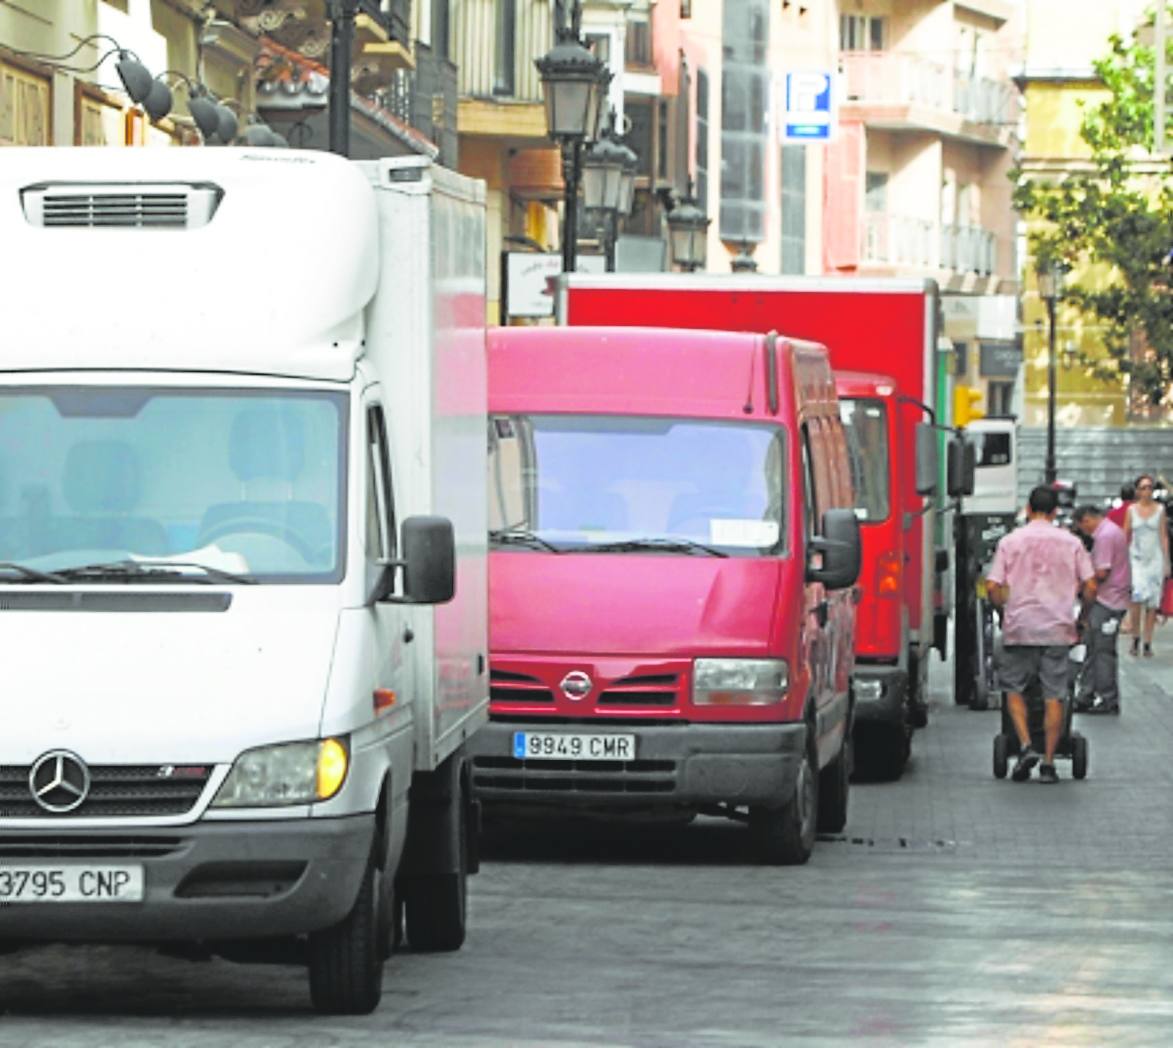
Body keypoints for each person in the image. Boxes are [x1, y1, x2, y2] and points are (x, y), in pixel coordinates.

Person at [986, 485, 1096, 784]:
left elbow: (993, 586)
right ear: (1054, 511)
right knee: (1055, 694)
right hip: (1058, 627)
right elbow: (1091, 586)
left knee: (1014, 689)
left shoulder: (1010, 542)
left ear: (1029, 508)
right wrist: (1082, 618)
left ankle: (1024, 745)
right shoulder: (1072, 543)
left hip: (1020, 625)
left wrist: (1001, 613)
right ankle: (1048, 763)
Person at [1072, 504, 1131, 713]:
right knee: (1092, 647)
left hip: (1109, 599)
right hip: (1107, 598)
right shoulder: (1111, 531)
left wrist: (1082, 579)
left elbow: (1102, 571)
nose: (1083, 531)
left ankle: (1108, 698)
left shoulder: (1104, 536)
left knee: (1102, 651)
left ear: (1087, 520)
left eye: (1082, 526)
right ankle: (1086, 694)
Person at [1124, 473, 1169, 657]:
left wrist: (1166, 561)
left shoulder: (1160, 510)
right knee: (1136, 599)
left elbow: (1163, 535)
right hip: (1136, 557)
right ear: (1137, 491)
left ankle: (1148, 640)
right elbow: (1125, 533)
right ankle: (1135, 636)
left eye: (1150, 487)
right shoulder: (1131, 510)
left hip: (1155, 558)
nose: (1147, 491)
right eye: (1143, 488)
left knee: (1152, 602)